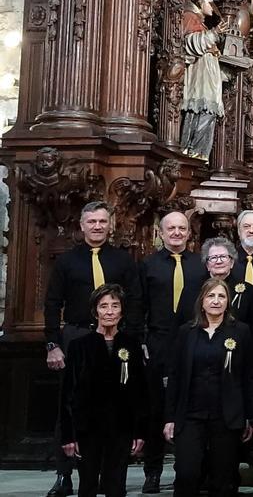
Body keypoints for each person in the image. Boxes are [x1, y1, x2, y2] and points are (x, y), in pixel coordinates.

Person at [45, 201, 144, 497]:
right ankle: (65, 474)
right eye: (92, 222)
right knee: (71, 404)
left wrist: (134, 338)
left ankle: (112, 474)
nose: (97, 226)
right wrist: (52, 344)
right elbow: (52, 304)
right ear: (82, 225)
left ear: (110, 225)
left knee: (116, 403)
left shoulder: (123, 260)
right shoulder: (66, 262)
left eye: (102, 221)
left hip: (117, 338)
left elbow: (136, 300)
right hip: (77, 338)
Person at [164, 277, 253, 497]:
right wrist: (170, 417)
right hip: (190, 415)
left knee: (224, 478)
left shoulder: (241, 332)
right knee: (186, 473)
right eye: (211, 296)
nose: (216, 301)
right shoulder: (186, 332)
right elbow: (175, 377)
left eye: (221, 296)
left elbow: (251, 377)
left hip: (226, 417)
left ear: (228, 301)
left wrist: (252, 417)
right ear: (202, 301)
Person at [58, 284, 148, 497]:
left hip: (121, 428)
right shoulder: (79, 346)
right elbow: (68, 394)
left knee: (116, 487)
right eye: (104, 306)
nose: (109, 311)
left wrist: (139, 431)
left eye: (115, 306)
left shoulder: (131, 345)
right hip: (87, 429)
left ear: (122, 311)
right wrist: (68, 436)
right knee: (87, 485)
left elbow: (140, 393)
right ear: (94, 311)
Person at [140, 211, 205, 493]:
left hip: (192, 341)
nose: (177, 233)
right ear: (161, 232)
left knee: (188, 408)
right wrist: (142, 339)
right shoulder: (148, 265)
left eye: (182, 228)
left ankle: (186, 471)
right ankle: (152, 471)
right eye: (171, 228)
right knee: (155, 409)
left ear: (189, 233)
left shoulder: (199, 266)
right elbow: (138, 305)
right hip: (158, 341)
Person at [178, 0, 226, 161]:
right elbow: (190, 44)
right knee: (199, 112)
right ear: (200, 2)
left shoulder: (202, 24)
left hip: (208, 83)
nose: (212, 7)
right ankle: (190, 151)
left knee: (208, 114)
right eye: (209, 2)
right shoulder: (190, 17)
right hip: (199, 81)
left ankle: (200, 153)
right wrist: (214, 33)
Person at [179, 237, 253, 329]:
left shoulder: (249, 291)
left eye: (223, 257)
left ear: (232, 262)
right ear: (207, 265)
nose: (219, 261)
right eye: (213, 258)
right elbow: (182, 323)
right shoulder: (191, 288)